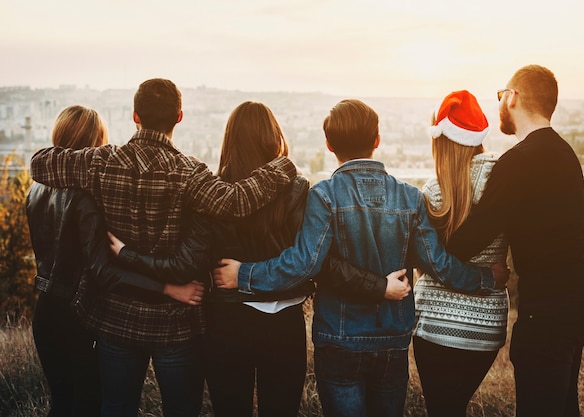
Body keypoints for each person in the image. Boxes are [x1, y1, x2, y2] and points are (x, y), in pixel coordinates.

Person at [106, 100, 411, 417]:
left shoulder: (211, 189)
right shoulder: (298, 190)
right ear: (274, 137)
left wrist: (132, 255)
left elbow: (193, 260)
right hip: (283, 322)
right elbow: (314, 260)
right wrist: (375, 284)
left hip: (226, 319)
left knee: (230, 408)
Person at [213, 99, 509, 417]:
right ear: (377, 140)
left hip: (338, 339)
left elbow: (303, 263)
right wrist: (486, 278)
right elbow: (437, 264)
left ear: (328, 145)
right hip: (392, 339)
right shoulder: (411, 198)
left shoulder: (323, 196)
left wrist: (243, 275)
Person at [28, 79, 298, 417]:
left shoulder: (101, 162)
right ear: (179, 117)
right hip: (175, 322)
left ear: (135, 116)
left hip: (117, 318)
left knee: (115, 408)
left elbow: (39, 165)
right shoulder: (189, 172)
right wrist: (282, 166)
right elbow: (236, 201)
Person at [25, 105, 205, 417]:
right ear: (93, 142)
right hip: (79, 314)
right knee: (88, 405)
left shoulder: (36, 189)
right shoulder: (84, 198)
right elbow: (102, 272)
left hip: (46, 312)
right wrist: (167, 288)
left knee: (63, 404)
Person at [446, 65, 584, 417]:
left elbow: (470, 240)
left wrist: (430, 235)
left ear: (512, 97)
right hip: (578, 298)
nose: (500, 102)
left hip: (548, 310)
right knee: (562, 405)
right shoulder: (566, 154)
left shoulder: (517, 162)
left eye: (500, 95)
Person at [412, 90, 510, 417]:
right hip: (486, 325)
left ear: (441, 141)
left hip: (434, 324)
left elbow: (426, 264)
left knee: (442, 408)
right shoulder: (503, 180)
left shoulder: (434, 190)